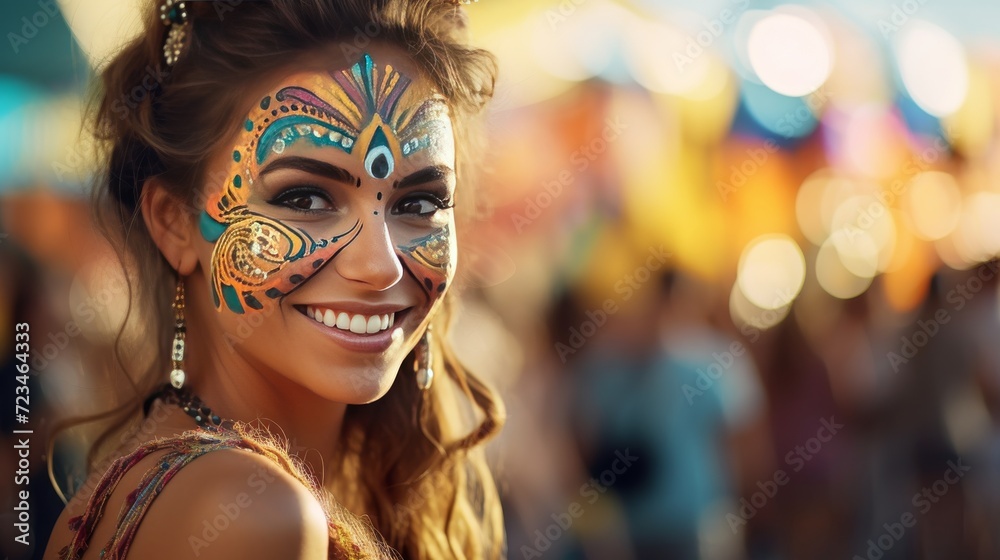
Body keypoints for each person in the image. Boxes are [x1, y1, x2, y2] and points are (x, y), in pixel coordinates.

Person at [42, 0, 505, 558]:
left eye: (421, 202)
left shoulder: (164, 488)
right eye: (305, 198)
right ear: (175, 223)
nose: (380, 265)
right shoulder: (251, 516)